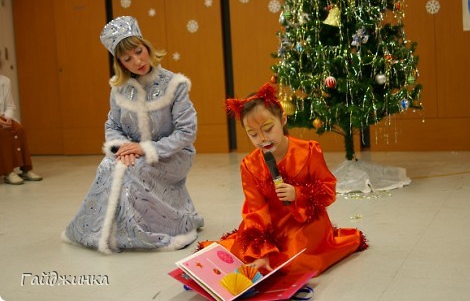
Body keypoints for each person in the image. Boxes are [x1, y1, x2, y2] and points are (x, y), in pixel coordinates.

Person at [62, 16, 204, 254]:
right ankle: (108, 232)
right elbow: (113, 125)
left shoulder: (174, 84)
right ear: (120, 63)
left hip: (171, 155)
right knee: (108, 166)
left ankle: (143, 231)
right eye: (128, 58)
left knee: (133, 171)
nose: (137, 61)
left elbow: (186, 132)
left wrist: (145, 150)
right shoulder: (118, 88)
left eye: (139, 51)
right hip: (131, 152)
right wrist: (121, 148)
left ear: (147, 47)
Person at [198, 83, 367, 276]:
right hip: (269, 224)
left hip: (304, 223)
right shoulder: (249, 165)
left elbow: (328, 191)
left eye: (268, 129)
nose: (262, 138)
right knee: (245, 258)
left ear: (283, 119)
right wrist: (262, 252)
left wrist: (298, 194)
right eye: (253, 134)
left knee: (297, 262)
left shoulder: (309, 151)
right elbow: (255, 211)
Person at [0, 56, 42, 185]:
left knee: (19, 129)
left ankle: (26, 170)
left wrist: (7, 118)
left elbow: (10, 105)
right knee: (4, 133)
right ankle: (8, 172)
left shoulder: (5, 81)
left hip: (3, 117)